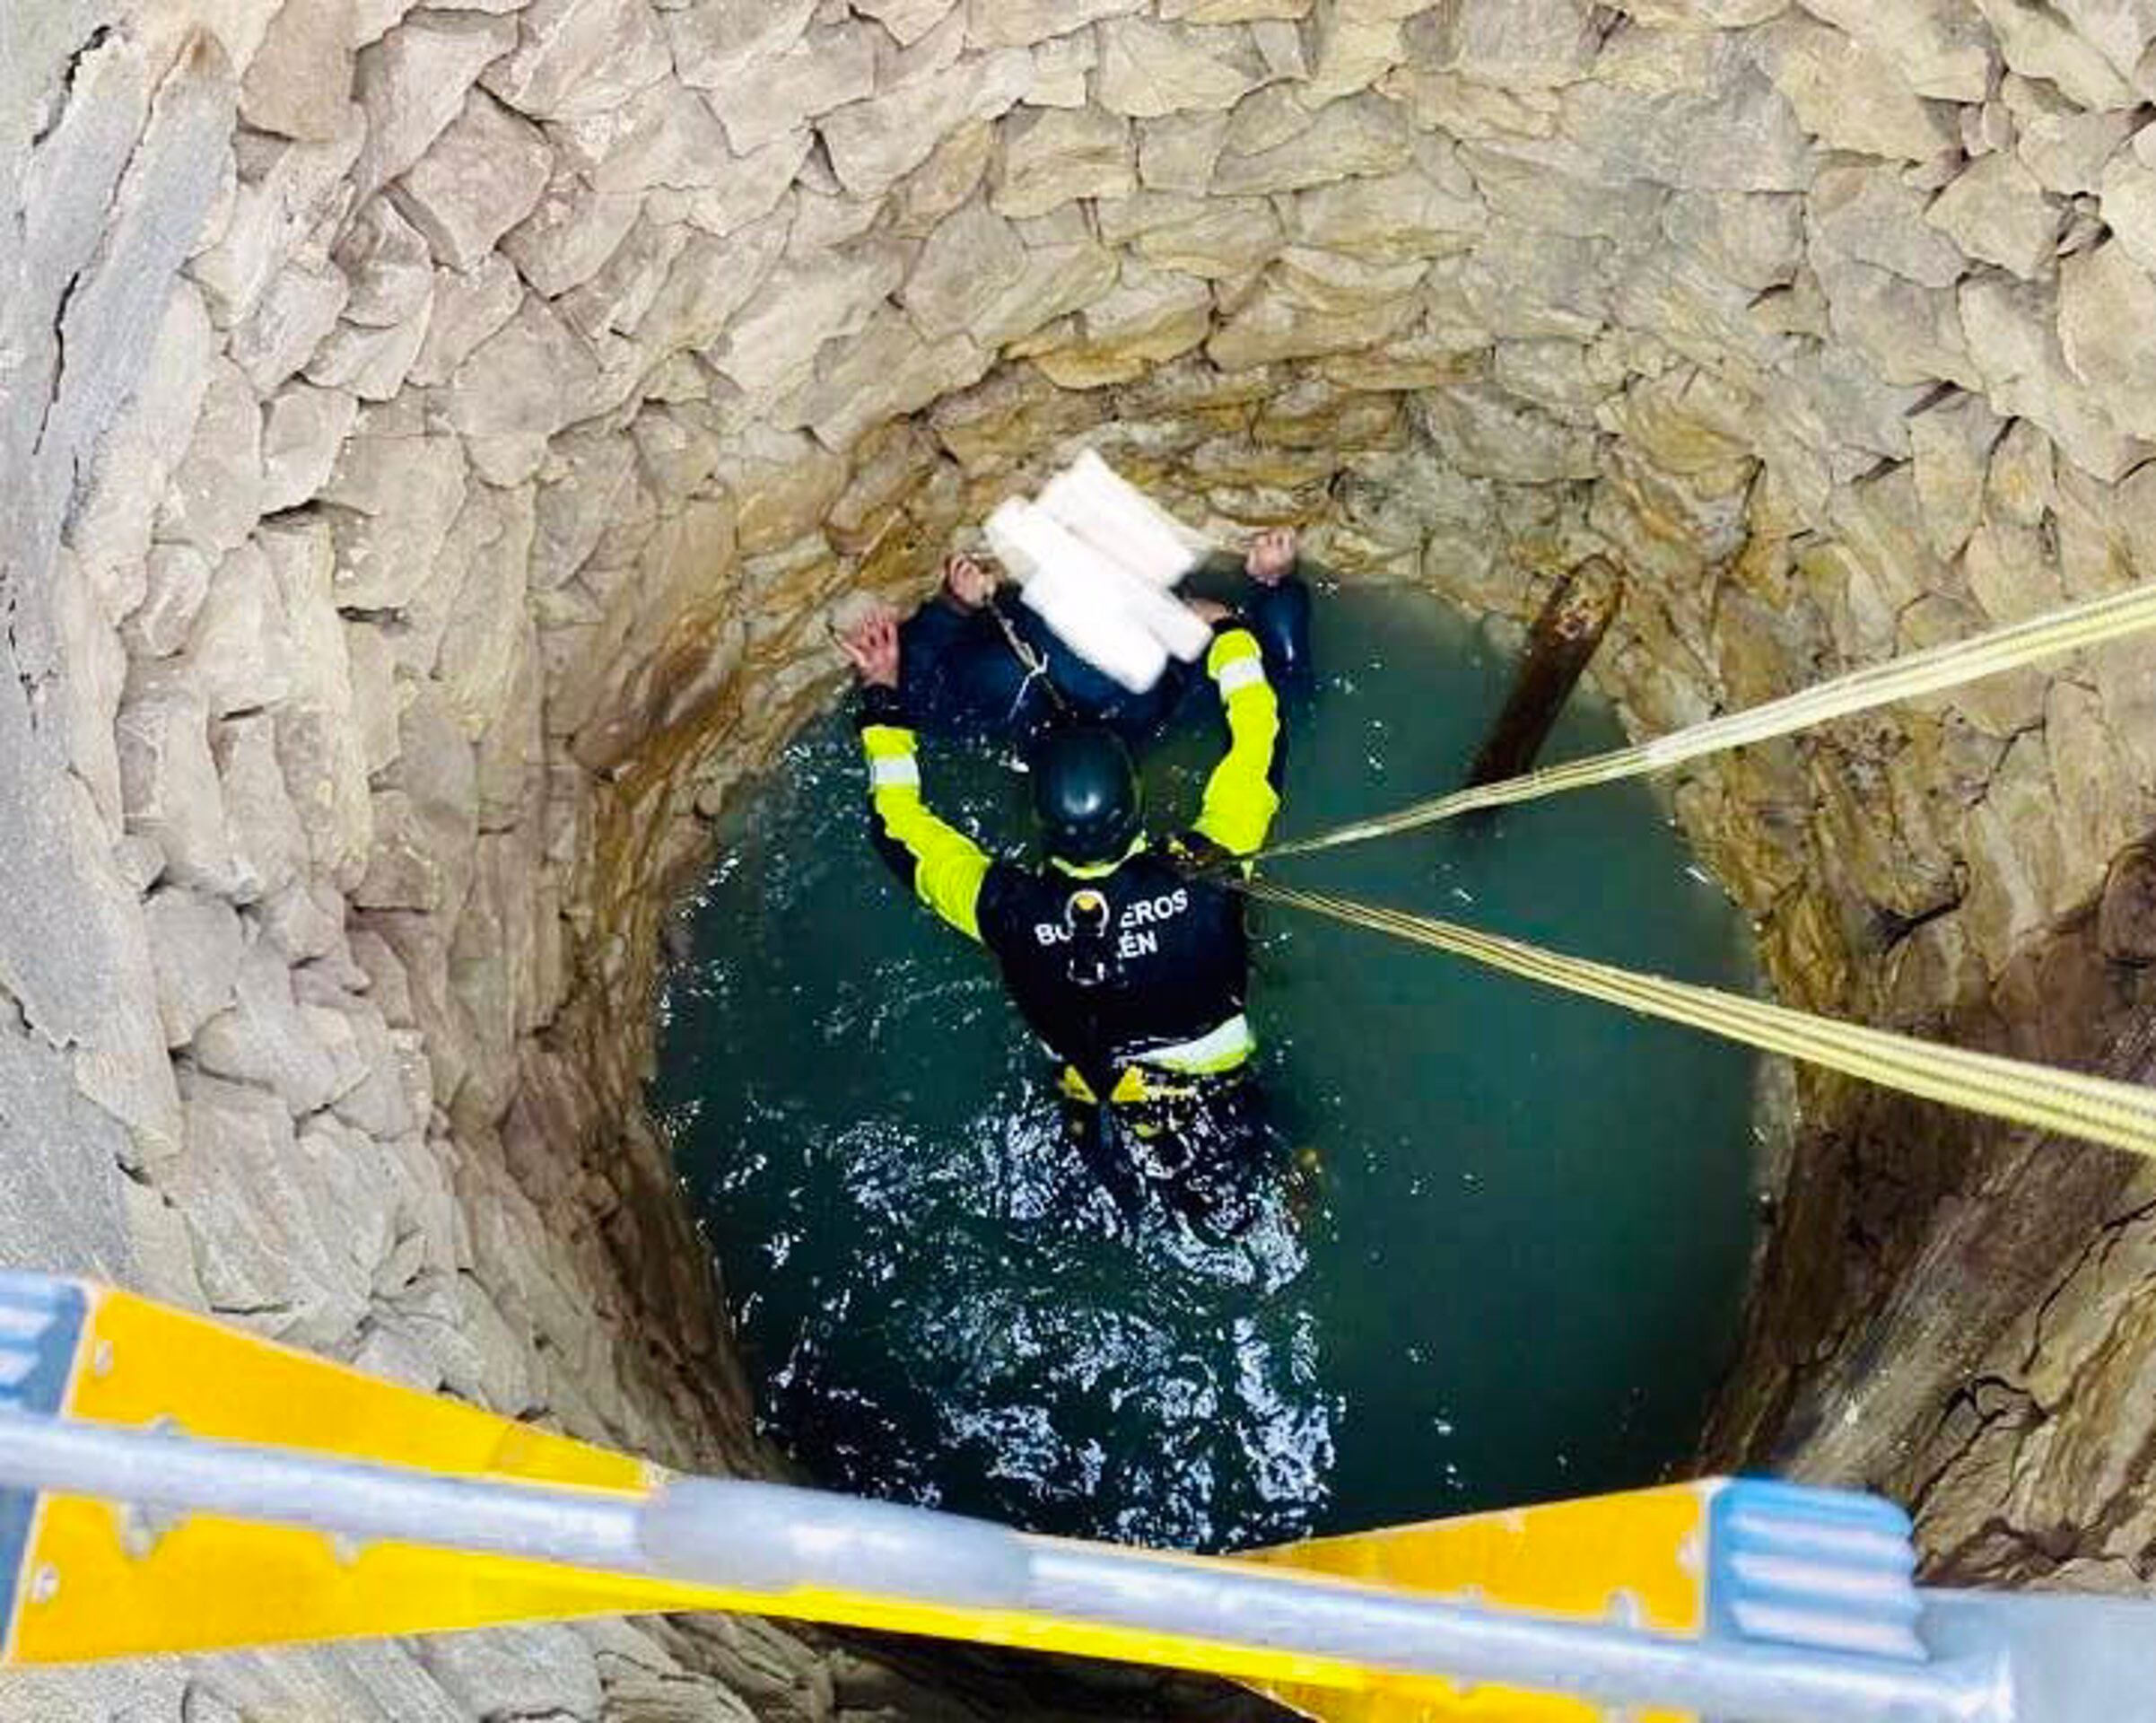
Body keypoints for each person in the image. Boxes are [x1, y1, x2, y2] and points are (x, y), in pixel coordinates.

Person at [840, 593, 1287, 1232]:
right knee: (1254, 1193)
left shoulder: (1004, 908)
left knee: (1107, 1198)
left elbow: (897, 827)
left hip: (1097, 1102)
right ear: (1134, 805)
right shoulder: (1210, 868)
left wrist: (882, 696)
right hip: (1219, 1103)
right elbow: (1259, 739)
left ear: (1042, 823)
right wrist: (1231, 634)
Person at [834, 529, 1310, 752]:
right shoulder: (1164, 693)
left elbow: (913, 698)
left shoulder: (1008, 678)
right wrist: (1273, 585)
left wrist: (953, 607)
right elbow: (1283, 682)